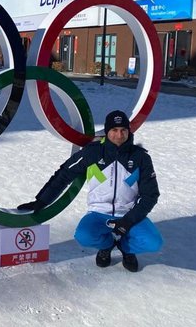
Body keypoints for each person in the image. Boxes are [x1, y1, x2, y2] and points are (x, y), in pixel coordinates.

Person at [18, 110, 162, 272]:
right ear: (107, 132)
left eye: (123, 130)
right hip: (99, 212)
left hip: (128, 213)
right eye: (114, 130)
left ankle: (126, 249)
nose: (119, 135)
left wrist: (128, 220)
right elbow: (65, 173)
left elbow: (150, 194)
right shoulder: (93, 152)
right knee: (84, 236)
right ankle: (106, 246)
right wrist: (42, 200)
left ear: (129, 132)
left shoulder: (140, 157)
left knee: (153, 242)